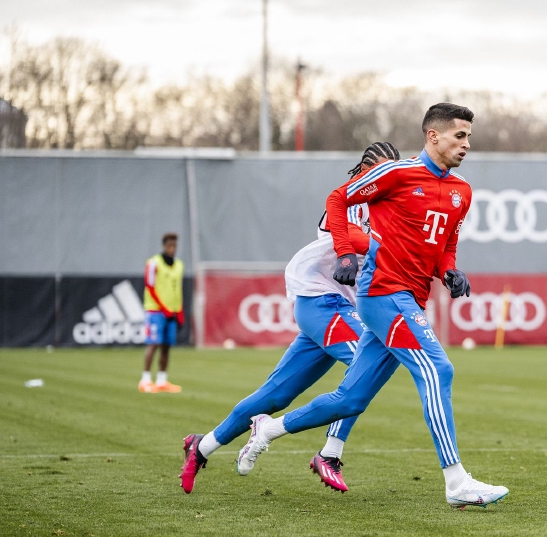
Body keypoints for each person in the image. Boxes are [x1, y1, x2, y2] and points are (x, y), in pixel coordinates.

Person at [235, 103, 509, 509]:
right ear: (433, 136)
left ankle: (267, 430)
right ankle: (456, 483)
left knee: (350, 399)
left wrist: (449, 271)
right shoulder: (397, 173)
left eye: (469, 136)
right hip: (383, 292)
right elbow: (337, 199)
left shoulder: (461, 191)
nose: (467, 144)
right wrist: (346, 253)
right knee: (438, 370)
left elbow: (445, 243)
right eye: (460, 135)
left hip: (410, 297)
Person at [178, 142, 400, 494]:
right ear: (363, 170)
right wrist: (388, 246)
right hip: (319, 298)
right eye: (381, 169)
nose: (386, 177)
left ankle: (201, 446)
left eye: (392, 171)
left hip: (338, 306)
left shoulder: (390, 206)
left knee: (274, 396)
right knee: (365, 365)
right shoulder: (350, 198)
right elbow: (351, 235)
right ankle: (330, 453)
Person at [140, 233, 185, 393]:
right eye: (169, 246)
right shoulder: (154, 263)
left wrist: (180, 311)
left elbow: (177, 290)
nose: (172, 249)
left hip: (172, 312)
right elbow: (150, 286)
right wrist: (163, 307)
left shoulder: (179, 265)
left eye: (174, 246)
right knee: (153, 344)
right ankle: (145, 380)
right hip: (156, 311)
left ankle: (161, 380)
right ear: (164, 246)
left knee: (166, 346)